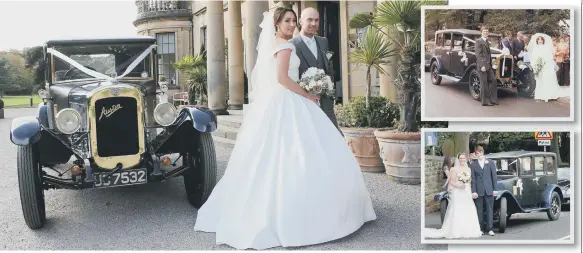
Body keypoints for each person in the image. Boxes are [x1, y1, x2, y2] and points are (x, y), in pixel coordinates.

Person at [193, 7, 376, 250]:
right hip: (288, 99)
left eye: (292, 20)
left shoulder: (276, 44)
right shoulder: (287, 46)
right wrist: (307, 94)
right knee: (299, 152)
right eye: (287, 21)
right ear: (277, 24)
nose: (291, 24)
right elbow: (282, 79)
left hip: (278, 101)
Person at [289, 7, 340, 132]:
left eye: (316, 20)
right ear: (300, 21)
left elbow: (328, 67)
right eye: (309, 20)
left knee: (334, 134)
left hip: (326, 101)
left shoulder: (323, 41)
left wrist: (329, 86)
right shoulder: (292, 44)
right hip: (304, 101)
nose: (314, 23)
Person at [424, 153, 483, 239]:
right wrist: (459, 185)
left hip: (466, 191)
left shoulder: (469, 169)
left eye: (463, 158)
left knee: (468, 208)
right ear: (458, 160)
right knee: (457, 209)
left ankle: (469, 230)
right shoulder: (453, 169)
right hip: (457, 191)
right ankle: (456, 230)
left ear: (465, 159)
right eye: (461, 158)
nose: (462, 160)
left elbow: (469, 181)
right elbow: (451, 182)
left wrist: (468, 187)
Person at [470, 145, 498, 236]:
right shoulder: (473, 164)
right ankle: (480, 228)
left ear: (483, 152)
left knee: (490, 210)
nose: (479, 155)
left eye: (480, 152)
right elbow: (473, 179)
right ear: (475, 154)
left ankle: (490, 229)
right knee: (479, 210)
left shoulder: (490, 163)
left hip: (489, 190)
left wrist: (495, 189)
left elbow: (494, 177)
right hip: (478, 191)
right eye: (477, 153)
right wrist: (473, 191)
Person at [529, 33, 565, 102]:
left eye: (541, 39)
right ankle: (540, 94)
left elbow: (549, 56)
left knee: (546, 80)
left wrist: (544, 62)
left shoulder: (546, 47)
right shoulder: (535, 48)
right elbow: (533, 57)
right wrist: (536, 64)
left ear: (543, 41)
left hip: (546, 66)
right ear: (537, 41)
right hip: (539, 66)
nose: (540, 41)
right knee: (540, 80)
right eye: (538, 39)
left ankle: (548, 94)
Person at [475, 26, 498, 106]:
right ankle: (485, 101)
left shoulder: (487, 41)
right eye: (484, 31)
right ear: (481, 32)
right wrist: (482, 66)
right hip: (483, 66)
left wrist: (491, 64)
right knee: (484, 83)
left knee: (493, 80)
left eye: (487, 31)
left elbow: (488, 55)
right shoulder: (478, 41)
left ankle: (492, 99)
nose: (486, 32)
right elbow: (478, 55)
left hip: (488, 65)